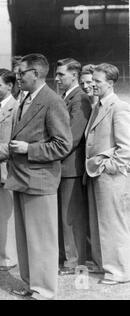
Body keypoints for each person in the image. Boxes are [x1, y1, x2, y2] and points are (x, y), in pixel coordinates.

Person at [5, 53, 72, 300]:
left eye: (22, 73)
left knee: (42, 240)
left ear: (36, 73)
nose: (18, 77)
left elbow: (63, 145)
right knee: (24, 240)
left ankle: (44, 290)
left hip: (40, 179)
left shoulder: (52, 101)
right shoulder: (24, 99)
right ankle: (31, 283)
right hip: (22, 178)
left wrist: (28, 149)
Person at [85, 63, 130, 285]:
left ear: (110, 83)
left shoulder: (118, 107)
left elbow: (126, 149)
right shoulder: (97, 107)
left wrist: (106, 167)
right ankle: (107, 267)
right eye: (92, 79)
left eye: (97, 81)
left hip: (110, 178)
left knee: (114, 224)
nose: (92, 83)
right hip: (96, 175)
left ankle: (120, 272)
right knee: (101, 223)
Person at [55, 58, 92, 275]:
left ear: (74, 75)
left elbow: (71, 137)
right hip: (63, 166)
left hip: (71, 168)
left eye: (61, 75)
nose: (57, 78)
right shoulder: (67, 97)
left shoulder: (80, 99)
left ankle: (75, 260)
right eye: (57, 74)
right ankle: (67, 256)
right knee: (64, 215)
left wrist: (49, 154)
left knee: (72, 216)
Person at [0, 68, 18, 271]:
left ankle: (7, 258)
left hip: (5, 168)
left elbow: (13, 143)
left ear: (10, 86)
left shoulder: (16, 109)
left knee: (5, 215)